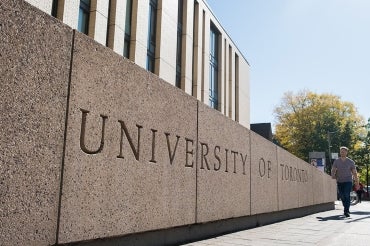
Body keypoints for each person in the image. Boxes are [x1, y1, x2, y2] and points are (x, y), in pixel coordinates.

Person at [331, 146, 359, 217]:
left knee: (346, 194)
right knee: (342, 196)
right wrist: (333, 175)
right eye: (341, 151)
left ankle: (346, 211)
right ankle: (346, 206)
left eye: (343, 151)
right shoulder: (337, 161)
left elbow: (354, 172)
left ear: (346, 152)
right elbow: (333, 169)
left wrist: (357, 182)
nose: (342, 152)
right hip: (340, 181)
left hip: (348, 181)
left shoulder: (350, 162)